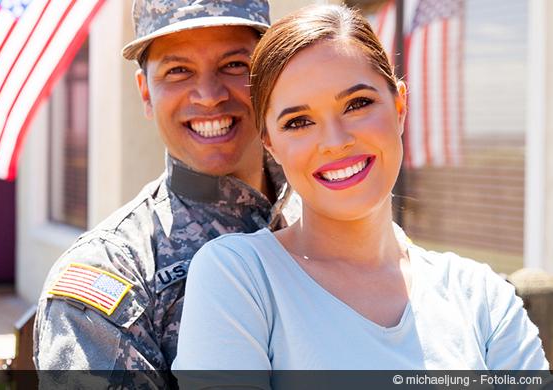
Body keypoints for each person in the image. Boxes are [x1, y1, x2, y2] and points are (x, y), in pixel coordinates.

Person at [174, 4, 548, 373]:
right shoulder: (241, 278)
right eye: (299, 122)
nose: (335, 142)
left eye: (357, 104)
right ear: (270, 142)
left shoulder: (481, 296)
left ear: (399, 105)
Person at [33, 0, 298, 386]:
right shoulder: (111, 271)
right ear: (145, 92)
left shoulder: (326, 220)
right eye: (178, 71)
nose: (208, 95)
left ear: (270, 78)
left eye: (235, 65)